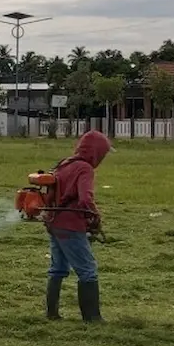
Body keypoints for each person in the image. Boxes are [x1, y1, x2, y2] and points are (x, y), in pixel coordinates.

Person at [43, 129, 112, 323]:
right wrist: (95, 217)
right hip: (71, 225)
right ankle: (92, 318)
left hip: (54, 223)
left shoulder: (64, 164)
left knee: (57, 268)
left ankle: (51, 313)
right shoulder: (84, 168)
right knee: (88, 270)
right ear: (96, 152)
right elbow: (85, 199)